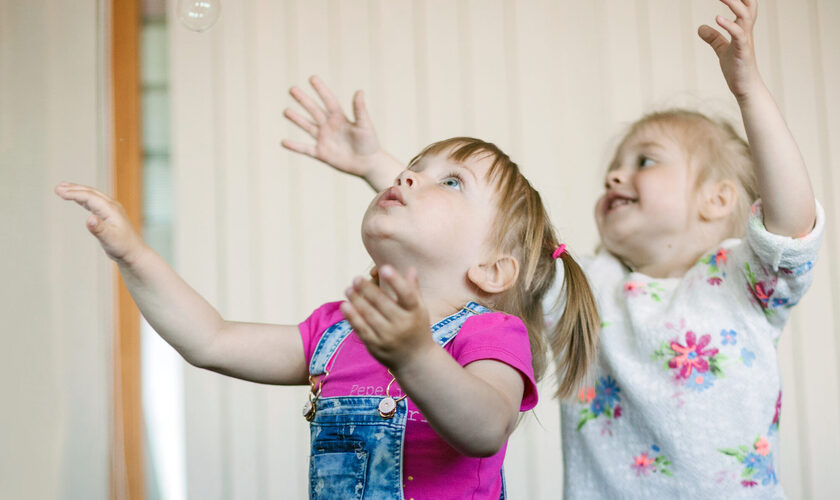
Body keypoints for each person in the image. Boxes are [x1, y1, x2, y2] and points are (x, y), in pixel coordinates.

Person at [281, 1, 824, 496]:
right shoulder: (592, 288)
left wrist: (748, 88)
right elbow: (472, 243)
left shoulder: (744, 282)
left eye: (645, 161)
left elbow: (792, 219)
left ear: (717, 199)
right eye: (616, 165)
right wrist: (382, 168)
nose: (615, 175)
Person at [55, 135, 598, 498]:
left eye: (452, 182)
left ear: (493, 268)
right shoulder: (337, 330)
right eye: (413, 168)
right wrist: (135, 255)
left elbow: (485, 426)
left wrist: (414, 356)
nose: (408, 178)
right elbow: (211, 341)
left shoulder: (490, 331)